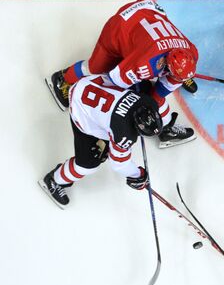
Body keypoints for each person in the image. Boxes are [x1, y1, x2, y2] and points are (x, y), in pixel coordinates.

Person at [45, 0, 199, 147]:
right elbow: (114, 81)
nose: (176, 79)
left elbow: (159, 93)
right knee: (96, 67)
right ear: (166, 63)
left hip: (149, 14)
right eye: (175, 75)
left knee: (156, 97)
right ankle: (63, 79)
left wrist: (154, 101)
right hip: (121, 27)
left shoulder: (192, 51)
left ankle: (165, 129)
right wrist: (138, 104)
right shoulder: (144, 64)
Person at [39, 74, 163, 209]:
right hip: (79, 106)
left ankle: (104, 142)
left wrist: (138, 175)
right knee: (88, 164)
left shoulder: (147, 102)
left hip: (88, 83)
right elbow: (119, 164)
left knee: (142, 87)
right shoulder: (124, 132)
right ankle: (54, 180)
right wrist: (137, 175)